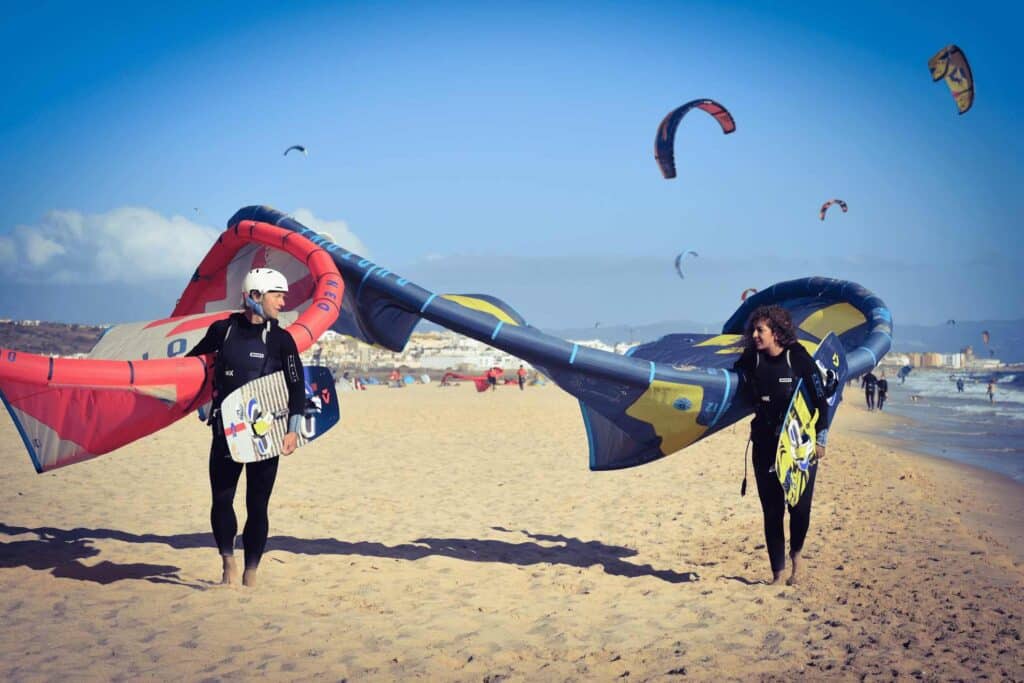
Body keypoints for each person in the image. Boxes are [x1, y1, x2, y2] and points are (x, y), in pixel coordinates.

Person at [186, 268, 305, 588]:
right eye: (277, 295)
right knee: (222, 500)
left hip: (266, 435)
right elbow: (190, 366)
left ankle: (251, 571)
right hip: (226, 432)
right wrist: (200, 404)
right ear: (255, 296)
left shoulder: (282, 339)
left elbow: (296, 386)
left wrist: (293, 430)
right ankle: (228, 562)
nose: (283, 301)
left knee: (257, 505)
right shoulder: (222, 331)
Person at [733, 305, 832, 586]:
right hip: (764, 443)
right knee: (772, 510)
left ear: (776, 332)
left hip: (799, 445)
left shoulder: (797, 358)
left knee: (799, 507)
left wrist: (821, 439)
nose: (754, 335)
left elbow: (820, 399)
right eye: (753, 329)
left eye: (760, 330)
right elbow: (729, 382)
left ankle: (796, 558)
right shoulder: (751, 360)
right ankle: (778, 573)